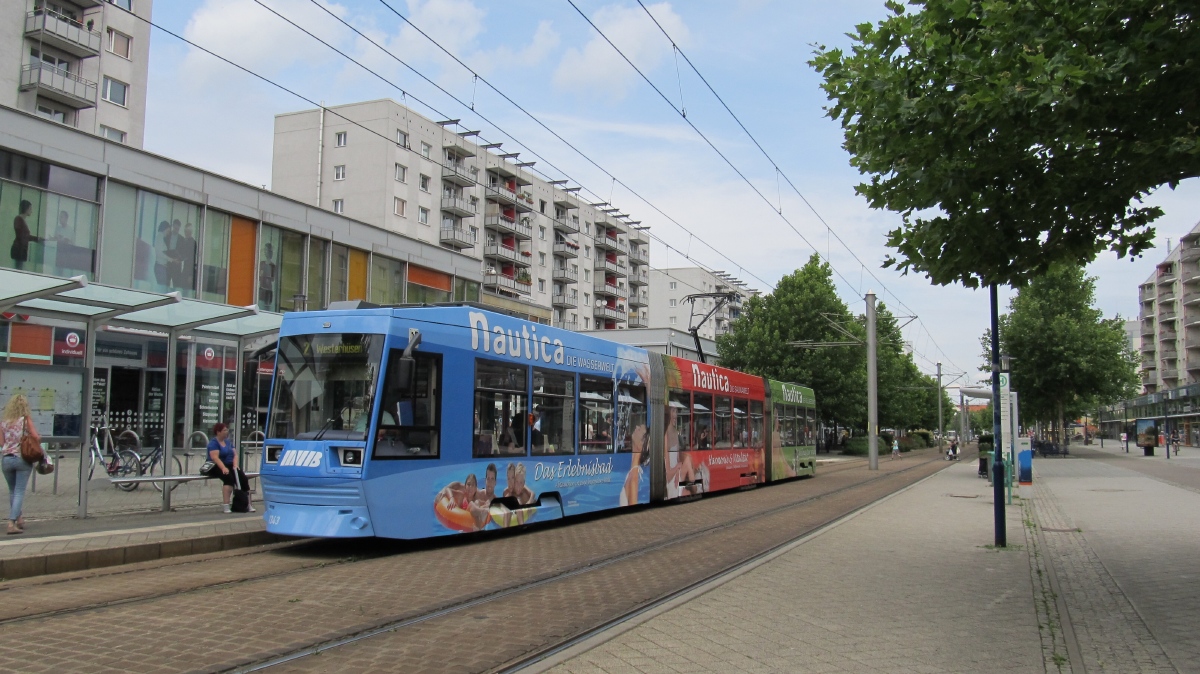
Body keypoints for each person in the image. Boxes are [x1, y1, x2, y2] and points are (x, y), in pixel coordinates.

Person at [2, 394, 40, 534]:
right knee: (19, 492)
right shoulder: (25, 420)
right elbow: (35, 436)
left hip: (6, 459)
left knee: (12, 491)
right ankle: (11, 523)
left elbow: (1, 443)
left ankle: (19, 519)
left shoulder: (4, 422)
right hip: (21, 459)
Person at [206, 422, 254, 514]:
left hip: (229, 464)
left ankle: (247, 503)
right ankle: (226, 505)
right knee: (229, 479)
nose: (226, 432)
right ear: (218, 432)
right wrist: (223, 468)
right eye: (224, 430)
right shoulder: (213, 443)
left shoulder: (228, 442)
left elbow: (235, 454)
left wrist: (235, 465)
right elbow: (215, 458)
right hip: (216, 465)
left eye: (227, 430)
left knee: (243, 478)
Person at [11, 200, 41, 271]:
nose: (31, 211)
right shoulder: (18, 219)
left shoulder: (22, 220)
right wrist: (37, 239)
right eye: (30, 209)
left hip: (22, 250)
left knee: (20, 269)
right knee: (18, 270)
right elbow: (22, 236)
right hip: (19, 250)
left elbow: (25, 236)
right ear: (26, 209)